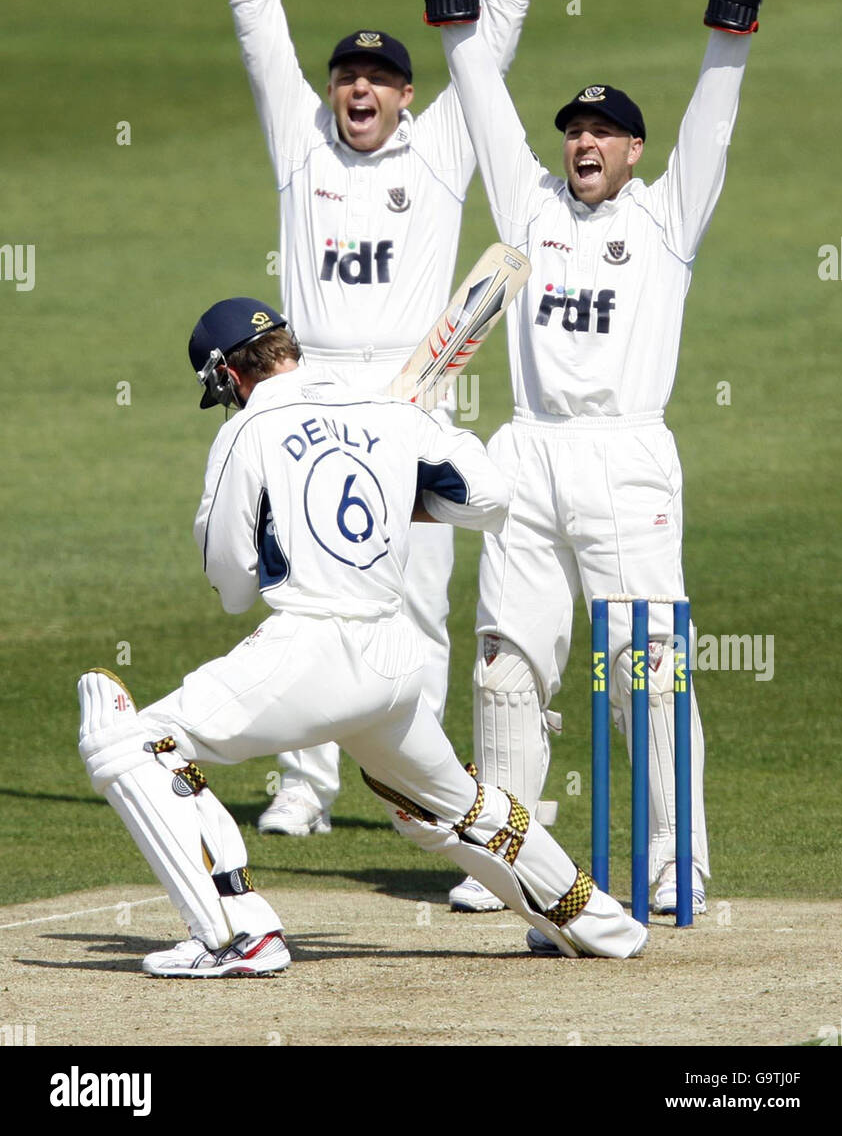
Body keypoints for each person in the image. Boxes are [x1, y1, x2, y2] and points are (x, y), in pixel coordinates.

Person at [77, 297, 647, 975]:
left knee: (130, 743)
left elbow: (230, 584)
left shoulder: (245, 432)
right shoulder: (391, 411)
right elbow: (492, 497)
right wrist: (404, 493)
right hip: (394, 658)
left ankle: (238, 934)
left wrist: (277, 528)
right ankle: (596, 922)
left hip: (315, 651)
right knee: (450, 808)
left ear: (227, 375)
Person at [410, 0, 784, 920]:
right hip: (526, 454)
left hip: (625, 461)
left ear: (631, 153)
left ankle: (676, 860)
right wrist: (451, 9)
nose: (585, 141)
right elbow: (484, 103)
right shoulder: (529, 205)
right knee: (503, 666)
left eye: (605, 132)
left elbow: (714, 118)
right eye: (575, 128)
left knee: (645, 672)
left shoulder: (664, 217)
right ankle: (506, 858)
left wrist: (730, 11)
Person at [218, 0, 547, 847]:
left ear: (407, 96)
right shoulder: (300, 139)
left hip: (410, 394)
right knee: (305, 597)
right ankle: (304, 784)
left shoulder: (443, 144)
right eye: (344, 76)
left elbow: (490, 41)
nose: (357, 87)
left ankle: (419, 788)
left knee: (413, 603)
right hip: (311, 390)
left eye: (378, 78)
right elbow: (256, 20)